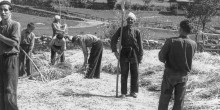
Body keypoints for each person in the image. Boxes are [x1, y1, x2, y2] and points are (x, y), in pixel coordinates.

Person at [158, 20, 197, 110]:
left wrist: (166, 60)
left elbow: (161, 57)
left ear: (181, 29)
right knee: (179, 102)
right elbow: (190, 58)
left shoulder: (171, 41)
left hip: (170, 75)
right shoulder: (193, 44)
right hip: (183, 76)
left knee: (164, 99)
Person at [111, 12, 143, 98]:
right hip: (124, 52)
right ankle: (123, 92)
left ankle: (133, 91)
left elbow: (140, 45)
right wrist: (115, 51)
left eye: (132, 19)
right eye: (128, 19)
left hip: (134, 53)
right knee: (124, 72)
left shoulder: (137, 32)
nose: (130, 20)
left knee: (135, 72)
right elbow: (113, 39)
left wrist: (140, 56)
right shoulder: (121, 30)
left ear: (134, 21)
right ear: (126, 20)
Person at [0, 1, 20, 110]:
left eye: (5, 10)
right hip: (0, 58)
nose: (3, 12)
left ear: (10, 11)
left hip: (11, 58)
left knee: (9, 89)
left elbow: (14, 42)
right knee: (1, 88)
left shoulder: (15, 25)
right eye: (1, 10)